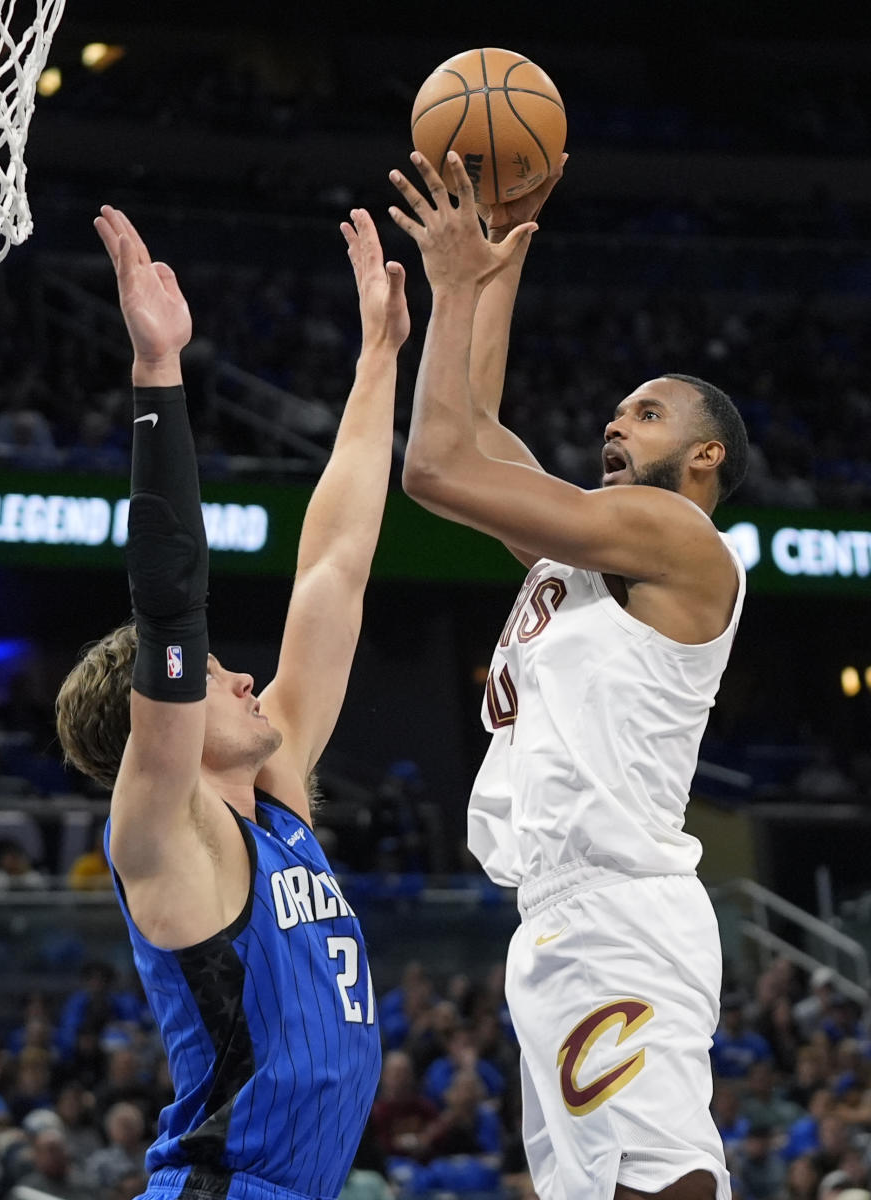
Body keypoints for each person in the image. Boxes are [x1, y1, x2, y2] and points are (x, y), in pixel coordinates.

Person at [389, 149, 750, 1200]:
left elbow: (434, 469)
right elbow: (472, 433)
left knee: (658, 1186)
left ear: (705, 458)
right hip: (553, 918)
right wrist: (496, 270)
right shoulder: (585, 558)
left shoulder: (677, 538)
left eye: (645, 413)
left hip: (620, 913)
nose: (612, 422)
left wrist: (449, 287)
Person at [55, 203, 408, 1200]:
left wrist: (378, 354)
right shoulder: (165, 828)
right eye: (216, 676)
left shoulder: (278, 794)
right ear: (153, 718)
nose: (246, 677)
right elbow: (170, 602)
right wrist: (158, 371)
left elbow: (336, 567)